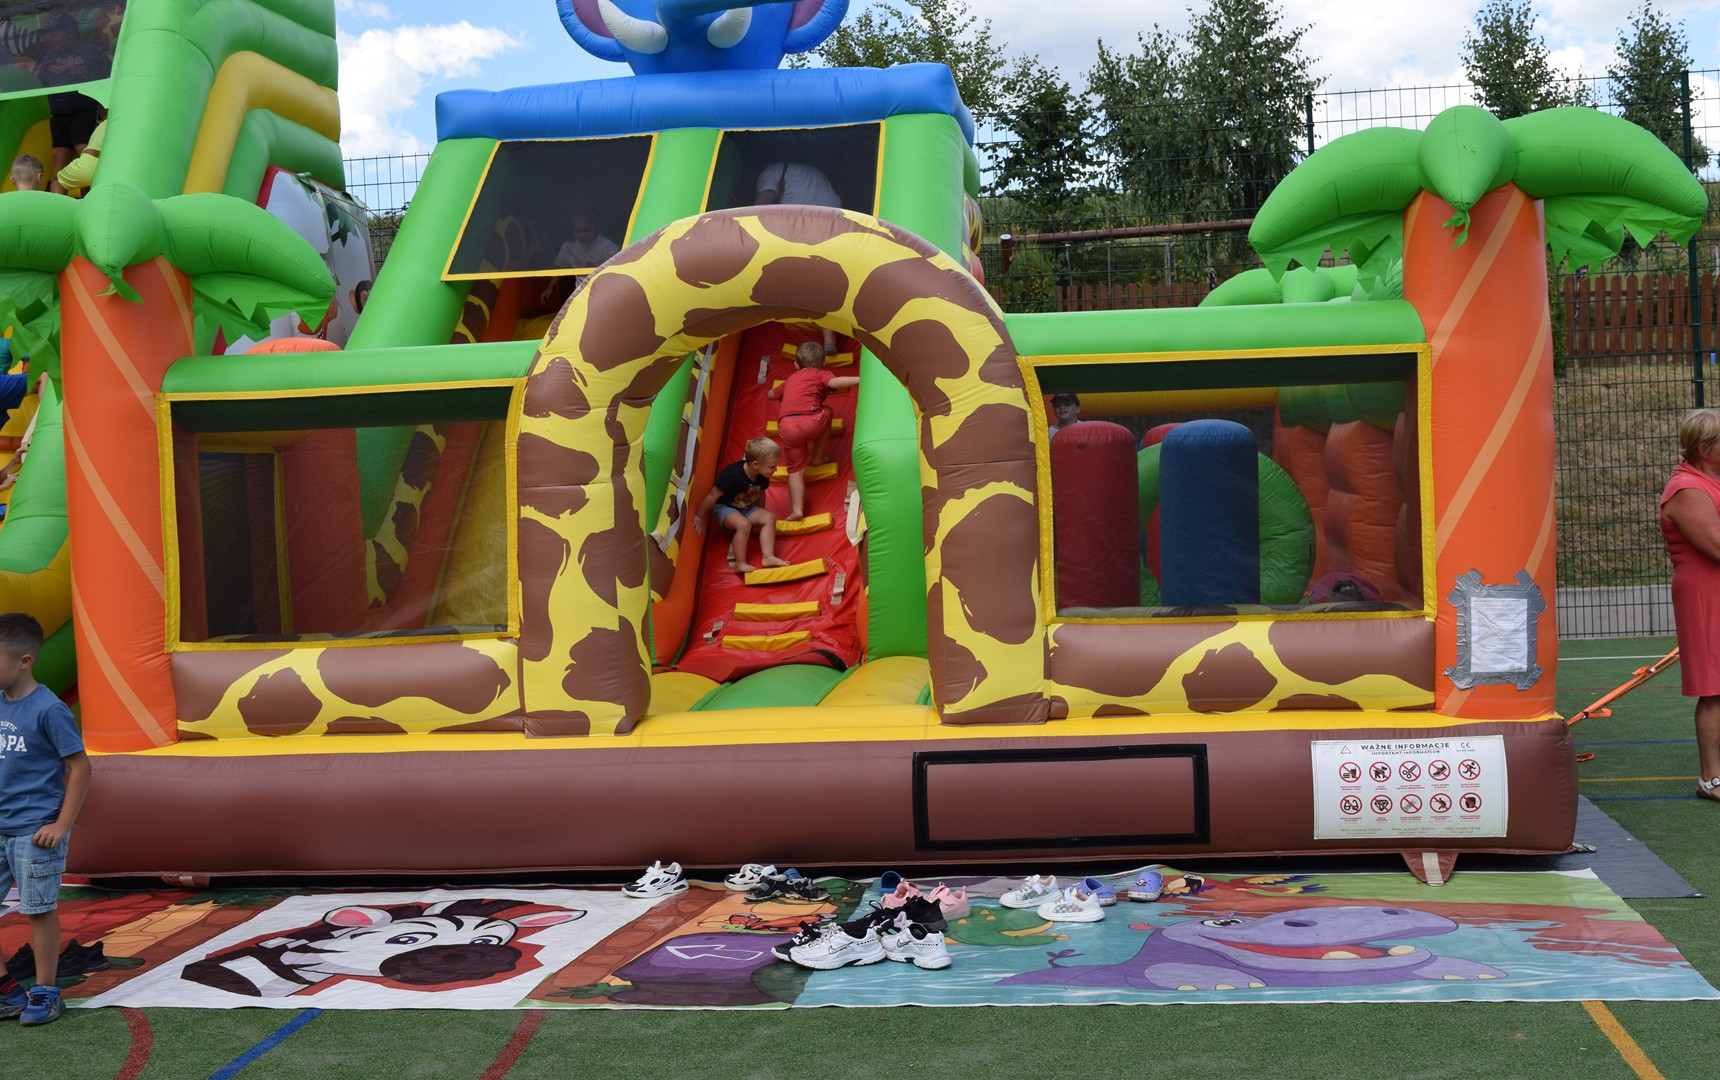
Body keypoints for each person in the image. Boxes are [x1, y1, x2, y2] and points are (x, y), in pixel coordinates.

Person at [0, 612, 89, 1026]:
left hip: (35, 832)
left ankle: (46, 991)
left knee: (37, 910)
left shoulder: (49, 709)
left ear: (24, 661)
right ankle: (7, 991)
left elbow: (80, 767)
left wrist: (61, 825)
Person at [1660, 408, 1720, 801]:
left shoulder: (1708, 482)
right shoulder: (1686, 489)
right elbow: (1717, 547)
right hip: (1705, 593)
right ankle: (1711, 778)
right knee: (1715, 688)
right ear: (1704, 449)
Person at [766, 341, 858, 521]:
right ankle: (817, 457)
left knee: (795, 470)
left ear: (796, 364)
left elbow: (771, 394)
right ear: (824, 362)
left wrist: (779, 392)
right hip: (812, 422)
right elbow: (835, 382)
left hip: (787, 427)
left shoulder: (790, 379)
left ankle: (797, 510)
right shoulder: (820, 373)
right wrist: (861, 380)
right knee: (827, 412)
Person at [692, 437, 792, 575]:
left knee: (769, 517)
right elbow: (713, 495)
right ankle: (740, 563)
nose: (775, 469)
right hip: (724, 508)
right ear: (756, 464)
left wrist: (760, 515)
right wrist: (699, 515)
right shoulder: (732, 474)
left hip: (746, 507)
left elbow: (761, 494)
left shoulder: (762, 475)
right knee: (744, 525)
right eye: (772, 466)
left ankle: (768, 557)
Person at [543, 212, 621, 306]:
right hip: (580, 294)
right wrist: (550, 287)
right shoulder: (569, 247)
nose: (582, 235)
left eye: (587, 230)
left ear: (596, 227)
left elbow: (621, 271)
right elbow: (560, 268)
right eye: (577, 231)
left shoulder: (609, 248)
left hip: (605, 293)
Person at [754, 162, 841, 209]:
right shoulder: (813, 170)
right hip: (834, 213)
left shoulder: (771, 170)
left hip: (800, 214)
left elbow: (764, 199)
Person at [53, 116, 103, 192]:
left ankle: (57, 199)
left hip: (87, 162)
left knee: (57, 180)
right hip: (105, 166)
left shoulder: (104, 124)